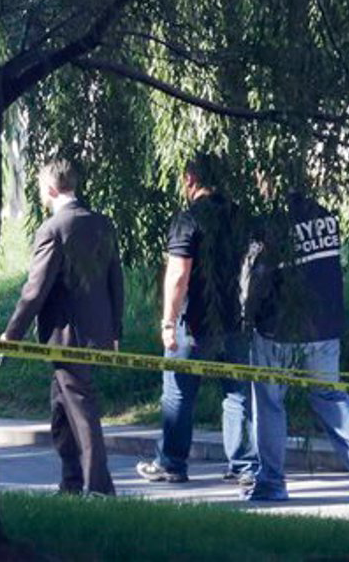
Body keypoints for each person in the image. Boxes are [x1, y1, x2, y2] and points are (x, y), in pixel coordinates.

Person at [242, 184, 349, 502]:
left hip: (278, 330)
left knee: (269, 403)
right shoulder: (326, 218)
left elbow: (257, 279)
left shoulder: (269, 225)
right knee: (329, 395)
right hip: (325, 326)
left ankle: (272, 483)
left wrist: (248, 317)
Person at [1, 159, 122, 496]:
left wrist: (12, 334)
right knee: (61, 408)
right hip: (96, 331)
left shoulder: (54, 228)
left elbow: (35, 290)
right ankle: (70, 483)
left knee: (81, 411)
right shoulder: (102, 223)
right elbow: (116, 281)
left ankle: (99, 487)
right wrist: (114, 331)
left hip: (66, 336)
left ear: (51, 189)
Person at [136, 153, 257, 484]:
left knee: (178, 393)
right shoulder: (238, 216)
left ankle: (172, 463)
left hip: (192, 322)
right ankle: (244, 465)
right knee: (236, 395)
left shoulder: (188, 219)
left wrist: (167, 321)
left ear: (190, 178)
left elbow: (178, 274)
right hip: (233, 318)